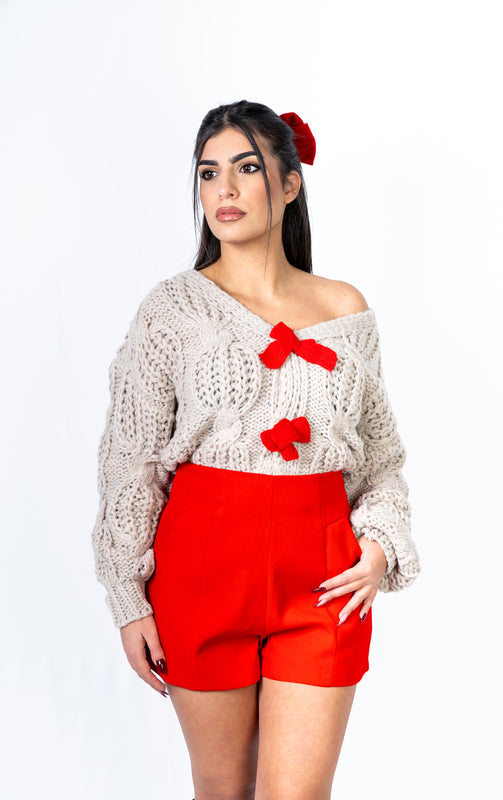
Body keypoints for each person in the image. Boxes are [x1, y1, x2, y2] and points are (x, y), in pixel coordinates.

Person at [91, 99, 421, 800]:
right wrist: (127, 596)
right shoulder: (173, 309)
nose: (224, 190)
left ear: (290, 183)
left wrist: (379, 546)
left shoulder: (344, 310)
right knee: (223, 788)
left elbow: (381, 460)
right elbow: (130, 461)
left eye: (246, 168)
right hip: (203, 566)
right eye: (208, 173)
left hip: (323, 575)